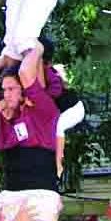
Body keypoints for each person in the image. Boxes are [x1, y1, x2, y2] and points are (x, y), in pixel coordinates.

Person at [0, 46, 62, 221]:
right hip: (11, 192)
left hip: (40, 193)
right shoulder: (4, 109)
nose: (6, 94)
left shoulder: (42, 106)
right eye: (4, 89)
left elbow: (26, 73)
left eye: (12, 89)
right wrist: (5, 58)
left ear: (25, 90)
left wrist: (35, 48)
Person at [38, 36, 86, 178]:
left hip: (75, 109)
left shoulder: (50, 74)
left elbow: (56, 91)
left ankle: (59, 162)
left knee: (58, 126)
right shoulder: (40, 72)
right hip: (65, 110)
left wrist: (42, 96)